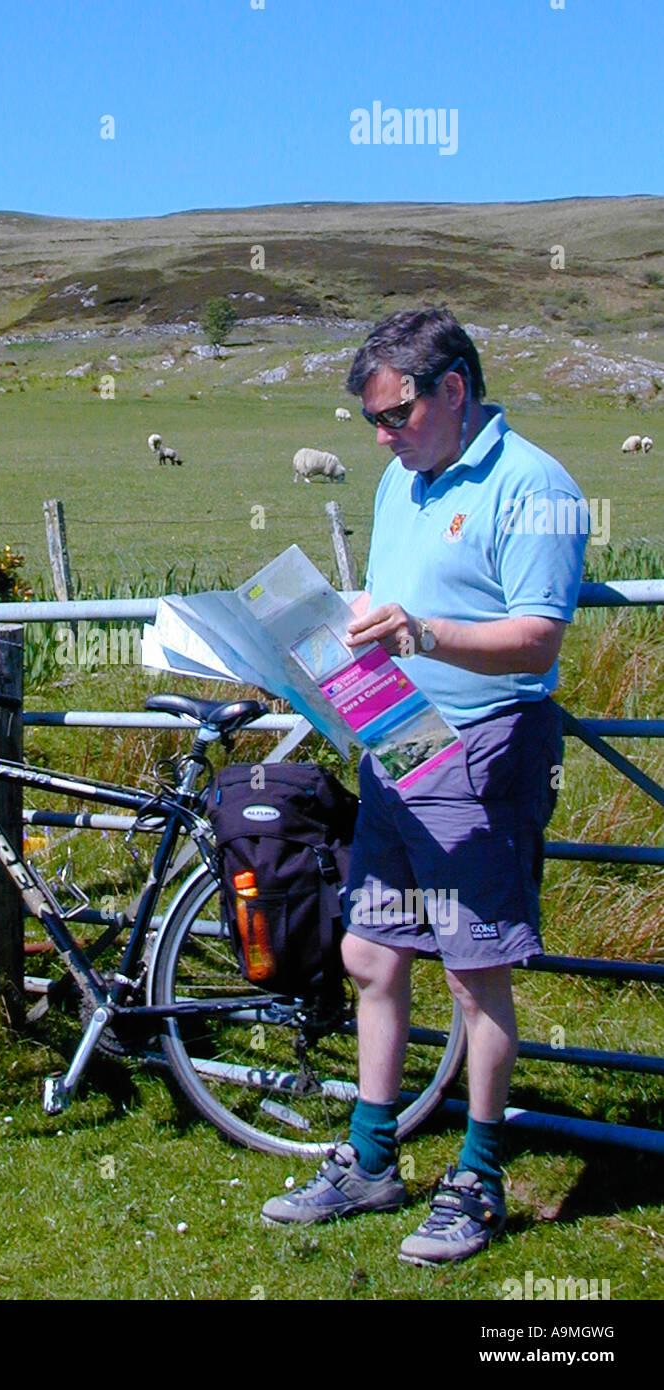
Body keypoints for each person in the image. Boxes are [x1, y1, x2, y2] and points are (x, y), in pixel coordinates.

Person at [261, 307, 589, 1265]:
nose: (381, 438)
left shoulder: (536, 486)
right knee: (371, 952)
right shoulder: (404, 481)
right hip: (396, 740)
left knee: (475, 971)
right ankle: (371, 1161)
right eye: (371, 420)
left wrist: (424, 637)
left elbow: (538, 637)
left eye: (395, 415)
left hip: (485, 746)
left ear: (454, 389)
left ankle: (479, 1180)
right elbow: (393, 601)